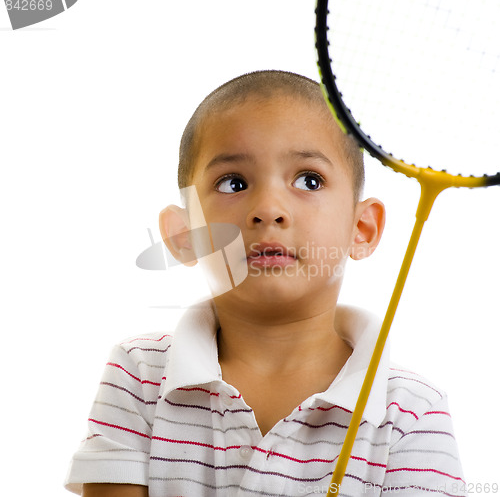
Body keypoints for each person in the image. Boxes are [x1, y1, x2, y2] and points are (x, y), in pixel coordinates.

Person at [65, 71, 467, 496]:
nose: (269, 209)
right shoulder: (140, 375)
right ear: (184, 235)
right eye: (233, 183)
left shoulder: (412, 413)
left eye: (309, 180)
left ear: (362, 228)